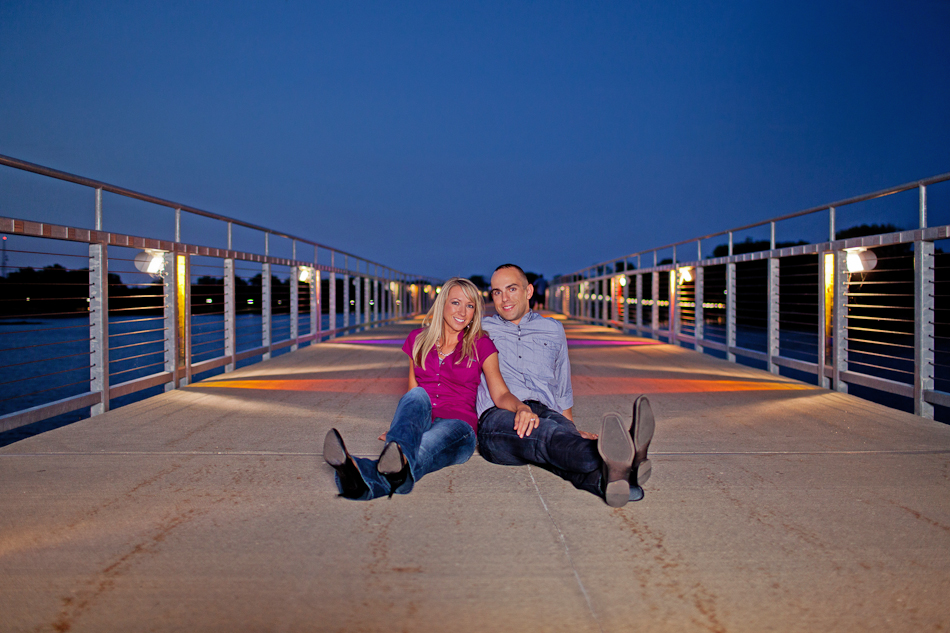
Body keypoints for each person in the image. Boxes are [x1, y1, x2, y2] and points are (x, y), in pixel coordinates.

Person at [323, 277, 537, 500]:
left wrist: (521, 407)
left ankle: (353, 469)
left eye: (470, 306)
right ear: (442, 303)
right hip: (422, 422)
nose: (463, 312)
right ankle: (375, 475)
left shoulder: (482, 344)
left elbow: (500, 393)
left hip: (458, 427)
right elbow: (412, 395)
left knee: (424, 448)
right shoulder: (418, 339)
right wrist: (402, 429)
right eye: (456, 303)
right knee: (417, 395)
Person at [476, 264, 655, 507]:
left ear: (529, 291)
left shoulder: (552, 329)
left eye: (511, 289)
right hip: (499, 417)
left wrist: (570, 429)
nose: (504, 298)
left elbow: (562, 383)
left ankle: (616, 481)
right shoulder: (481, 330)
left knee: (558, 446)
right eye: (496, 292)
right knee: (546, 436)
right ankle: (624, 457)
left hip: (546, 410)